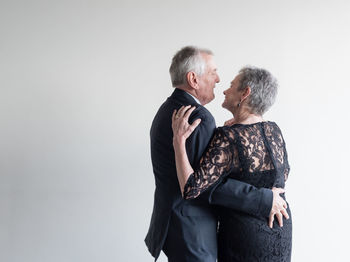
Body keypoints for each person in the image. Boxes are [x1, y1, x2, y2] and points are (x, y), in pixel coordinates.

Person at [145, 46, 288, 262]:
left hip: (177, 225)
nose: (219, 81)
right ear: (193, 79)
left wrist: (234, 134)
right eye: (213, 72)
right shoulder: (199, 118)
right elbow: (203, 185)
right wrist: (264, 198)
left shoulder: (169, 108)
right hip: (194, 231)